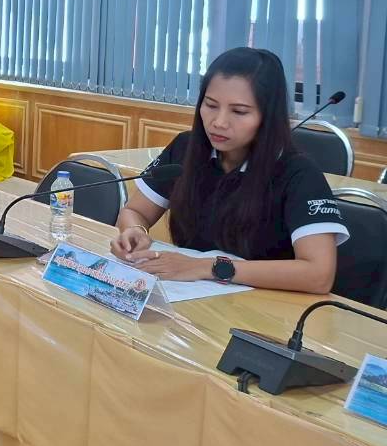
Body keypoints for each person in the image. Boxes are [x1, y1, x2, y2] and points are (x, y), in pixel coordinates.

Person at [110, 47, 347, 294]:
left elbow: (319, 275)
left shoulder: (299, 174)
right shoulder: (185, 148)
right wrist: (135, 231)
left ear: (268, 116)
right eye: (211, 105)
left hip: (266, 305)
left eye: (239, 111)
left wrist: (209, 267)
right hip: (190, 298)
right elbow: (135, 211)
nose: (219, 122)